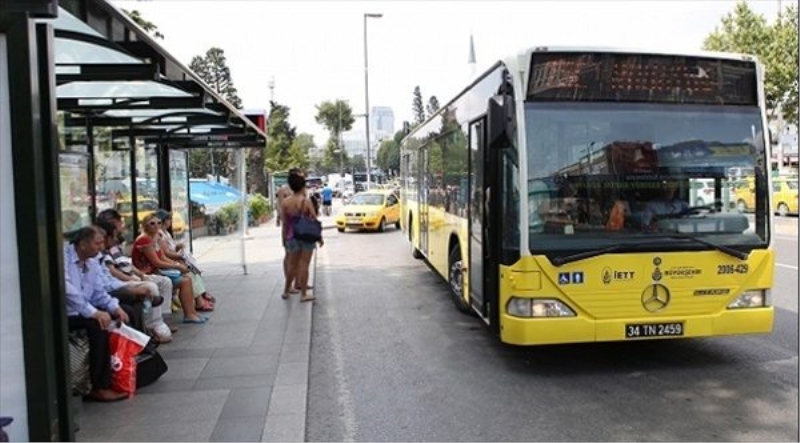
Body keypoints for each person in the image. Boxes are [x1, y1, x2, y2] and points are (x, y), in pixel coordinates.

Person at [64, 226, 130, 402]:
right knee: (97, 326)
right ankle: (99, 386)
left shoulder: (92, 261)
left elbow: (98, 292)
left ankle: (121, 371)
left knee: (122, 314)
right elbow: (69, 293)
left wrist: (114, 308)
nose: (101, 247)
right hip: (65, 313)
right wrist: (94, 313)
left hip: (83, 308)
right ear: (83, 244)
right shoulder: (64, 259)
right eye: (97, 243)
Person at [131, 213, 207, 324]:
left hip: (157, 272)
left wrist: (178, 265)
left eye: (158, 223)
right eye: (152, 223)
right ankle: (187, 314)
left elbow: (162, 256)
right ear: (145, 225)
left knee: (188, 277)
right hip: (148, 274)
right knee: (185, 281)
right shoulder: (144, 240)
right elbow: (156, 262)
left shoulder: (154, 238)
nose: (156, 226)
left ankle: (192, 312)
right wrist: (176, 266)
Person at [154, 209, 216, 308]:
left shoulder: (165, 233)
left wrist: (178, 251)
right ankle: (199, 301)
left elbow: (167, 252)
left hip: (172, 261)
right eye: (169, 219)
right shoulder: (159, 236)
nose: (170, 221)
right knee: (189, 273)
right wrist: (178, 261)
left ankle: (201, 295)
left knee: (192, 269)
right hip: (166, 266)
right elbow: (165, 255)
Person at [281, 172, 323, 302]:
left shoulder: (285, 202)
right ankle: (304, 294)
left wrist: (284, 238)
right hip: (306, 237)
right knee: (304, 265)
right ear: (303, 185)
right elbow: (315, 220)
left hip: (292, 236)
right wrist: (320, 237)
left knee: (292, 266)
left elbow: (285, 223)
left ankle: (286, 291)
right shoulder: (306, 201)